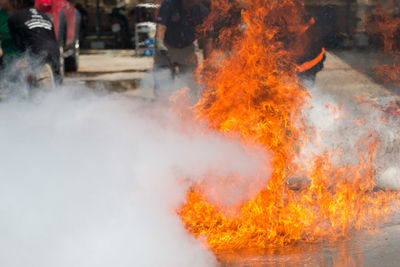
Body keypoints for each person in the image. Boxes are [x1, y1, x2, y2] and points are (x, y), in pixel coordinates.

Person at [7, 0, 60, 88]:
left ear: (20, 3)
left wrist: (26, 61)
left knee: (44, 95)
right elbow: (52, 38)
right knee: (43, 90)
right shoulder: (45, 16)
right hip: (54, 55)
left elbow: (19, 44)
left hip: (39, 57)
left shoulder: (14, 17)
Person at [154, 0, 212, 79]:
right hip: (167, 47)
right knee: (162, 79)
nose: (190, 2)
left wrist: (208, 63)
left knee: (191, 82)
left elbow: (207, 39)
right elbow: (161, 26)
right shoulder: (168, 4)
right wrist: (159, 43)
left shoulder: (202, 11)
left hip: (188, 49)